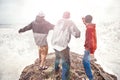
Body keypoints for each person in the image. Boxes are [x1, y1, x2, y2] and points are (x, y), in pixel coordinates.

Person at [51, 11, 80, 80]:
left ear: (62, 16)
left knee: (57, 57)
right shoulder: (70, 22)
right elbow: (77, 34)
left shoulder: (58, 21)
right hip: (62, 47)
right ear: (69, 16)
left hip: (55, 44)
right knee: (66, 64)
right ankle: (64, 78)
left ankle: (56, 71)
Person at [82, 15, 97, 80]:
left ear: (86, 20)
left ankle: (90, 78)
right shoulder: (90, 26)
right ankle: (90, 77)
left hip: (89, 48)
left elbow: (91, 40)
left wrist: (92, 52)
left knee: (85, 62)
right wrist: (83, 20)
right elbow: (86, 23)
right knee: (86, 61)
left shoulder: (89, 29)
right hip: (89, 47)